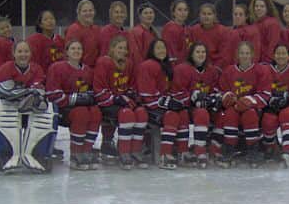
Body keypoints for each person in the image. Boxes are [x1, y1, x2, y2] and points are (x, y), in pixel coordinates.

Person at [0, 40, 57, 172]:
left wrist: (22, 93)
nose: (23, 54)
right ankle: (7, 155)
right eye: (19, 51)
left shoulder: (36, 69)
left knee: (47, 111)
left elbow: (38, 91)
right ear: (13, 53)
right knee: (3, 113)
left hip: (28, 107)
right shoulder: (5, 68)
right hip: (7, 105)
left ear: (31, 53)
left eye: (26, 51)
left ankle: (37, 155)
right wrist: (27, 93)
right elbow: (3, 91)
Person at [93, 35, 149, 170]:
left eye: (124, 48)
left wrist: (130, 94)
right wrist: (115, 98)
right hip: (107, 103)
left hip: (123, 101)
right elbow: (99, 90)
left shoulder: (128, 63)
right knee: (127, 114)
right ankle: (124, 152)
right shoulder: (103, 62)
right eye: (119, 47)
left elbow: (132, 85)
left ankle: (135, 150)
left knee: (141, 113)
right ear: (112, 49)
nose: (122, 50)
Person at [46, 39, 102, 170]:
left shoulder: (88, 70)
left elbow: (92, 91)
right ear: (67, 52)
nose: (76, 51)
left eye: (79, 49)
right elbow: (52, 94)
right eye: (73, 48)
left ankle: (86, 150)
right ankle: (76, 152)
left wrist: (89, 97)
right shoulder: (57, 68)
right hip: (63, 110)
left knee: (96, 112)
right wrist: (75, 99)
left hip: (82, 109)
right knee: (81, 112)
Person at [136, 39, 189, 169]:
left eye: (163, 48)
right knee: (172, 115)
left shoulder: (165, 66)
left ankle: (182, 152)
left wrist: (175, 100)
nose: (162, 51)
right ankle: (164, 154)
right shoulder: (147, 65)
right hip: (149, 107)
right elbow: (146, 94)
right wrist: (166, 102)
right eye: (158, 48)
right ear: (152, 50)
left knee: (183, 113)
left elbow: (168, 91)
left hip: (159, 105)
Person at [218, 41, 271, 168]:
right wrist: (227, 97)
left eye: (247, 53)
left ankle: (253, 149)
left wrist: (250, 101)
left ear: (252, 54)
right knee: (230, 114)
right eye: (242, 53)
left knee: (250, 114)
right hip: (234, 108)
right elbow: (222, 90)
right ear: (237, 54)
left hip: (253, 109)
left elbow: (265, 93)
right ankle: (229, 148)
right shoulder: (229, 71)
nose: (245, 56)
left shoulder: (261, 70)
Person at [170, 42, 221, 168]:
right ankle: (194, 151)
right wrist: (192, 97)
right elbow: (176, 92)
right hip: (186, 108)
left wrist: (212, 99)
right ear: (191, 54)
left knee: (224, 114)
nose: (201, 54)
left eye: (203, 52)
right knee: (199, 113)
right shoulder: (181, 69)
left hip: (204, 108)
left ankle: (212, 149)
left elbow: (215, 89)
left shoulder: (212, 70)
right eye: (197, 52)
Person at [99, 1, 141, 66]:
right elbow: (104, 55)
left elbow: (133, 55)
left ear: (125, 15)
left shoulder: (128, 34)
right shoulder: (106, 31)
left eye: (122, 12)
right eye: (116, 12)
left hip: (125, 69)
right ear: (111, 14)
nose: (119, 15)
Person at [190, 3, 229, 70]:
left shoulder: (223, 31)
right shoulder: (194, 30)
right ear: (199, 15)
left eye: (209, 14)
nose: (206, 16)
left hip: (216, 67)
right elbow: (191, 51)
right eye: (204, 14)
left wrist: (215, 68)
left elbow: (224, 55)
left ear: (214, 16)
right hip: (197, 66)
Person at [65, 0, 101, 68]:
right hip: (79, 69)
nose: (88, 13)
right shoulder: (74, 29)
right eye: (85, 11)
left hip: (94, 69)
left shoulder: (97, 29)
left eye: (90, 10)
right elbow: (70, 54)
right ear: (79, 13)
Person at [27, 10, 65, 74]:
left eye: (52, 18)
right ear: (40, 24)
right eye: (46, 19)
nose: (49, 21)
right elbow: (32, 63)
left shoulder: (60, 40)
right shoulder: (33, 41)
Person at [249, 0, 281, 64]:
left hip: (266, 63)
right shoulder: (254, 24)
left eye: (262, 6)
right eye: (256, 6)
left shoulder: (272, 23)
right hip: (255, 62)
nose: (258, 8)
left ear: (267, 8)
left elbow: (273, 44)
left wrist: (266, 62)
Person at [161, 0, 191, 65]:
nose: (183, 13)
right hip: (174, 67)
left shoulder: (188, 29)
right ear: (173, 12)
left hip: (186, 66)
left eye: (185, 10)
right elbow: (170, 52)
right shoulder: (169, 29)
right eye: (179, 10)